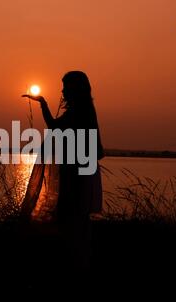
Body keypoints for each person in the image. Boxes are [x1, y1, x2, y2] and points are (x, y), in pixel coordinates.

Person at [22, 70, 104, 271]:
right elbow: (55, 126)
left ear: (75, 89)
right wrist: (44, 105)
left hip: (78, 174)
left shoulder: (82, 111)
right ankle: (75, 262)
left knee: (74, 217)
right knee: (71, 217)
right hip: (74, 171)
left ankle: (76, 265)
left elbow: (90, 147)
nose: (63, 91)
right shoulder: (78, 110)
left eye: (66, 86)